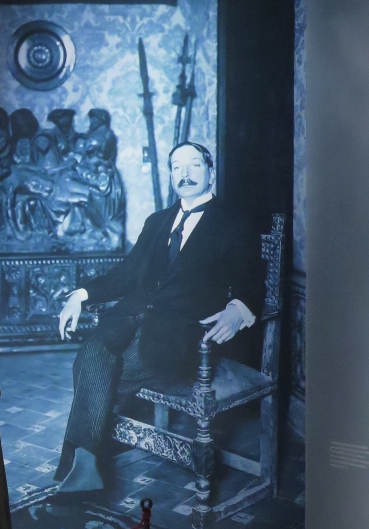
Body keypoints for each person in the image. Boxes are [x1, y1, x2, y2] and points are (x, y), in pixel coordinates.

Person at [50, 142, 258, 496]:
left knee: (100, 371)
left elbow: (252, 277)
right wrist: (81, 295)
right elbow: (127, 272)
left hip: (175, 335)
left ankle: (81, 465)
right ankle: (86, 468)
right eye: (177, 167)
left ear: (210, 172)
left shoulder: (233, 222)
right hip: (128, 317)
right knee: (92, 351)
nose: (185, 174)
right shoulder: (157, 221)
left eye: (195, 165)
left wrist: (239, 308)